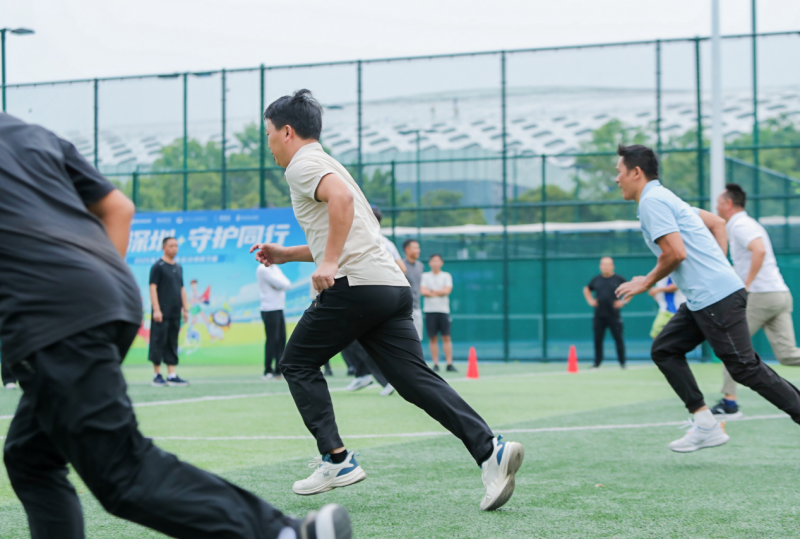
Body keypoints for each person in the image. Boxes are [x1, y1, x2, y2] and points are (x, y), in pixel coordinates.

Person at [0, 112, 352, 539]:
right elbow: (118, 208)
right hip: (107, 294)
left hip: (54, 312)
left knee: (120, 471)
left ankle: (285, 534)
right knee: (29, 457)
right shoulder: (26, 132)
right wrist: (93, 289)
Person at [251, 89, 522, 511]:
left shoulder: (302, 165)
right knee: (413, 379)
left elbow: (340, 203)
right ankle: (490, 450)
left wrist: (328, 262)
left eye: (268, 134)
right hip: (390, 288)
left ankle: (336, 459)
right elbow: (348, 226)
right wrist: (288, 254)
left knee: (297, 362)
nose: (268, 144)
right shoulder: (329, 163)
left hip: (355, 286)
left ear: (287, 132)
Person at [613, 143, 800, 453]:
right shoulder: (665, 196)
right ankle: (705, 425)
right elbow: (717, 223)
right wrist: (717, 265)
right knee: (665, 349)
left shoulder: (652, 202)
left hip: (716, 298)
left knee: (745, 368)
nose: (616, 178)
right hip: (707, 297)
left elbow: (676, 253)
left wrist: (646, 281)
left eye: (619, 171)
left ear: (636, 172)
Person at [712, 183, 800, 418]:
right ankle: (729, 402)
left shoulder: (740, 225)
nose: (716, 207)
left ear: (729, 203)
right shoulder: (746, 223)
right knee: (787, 354)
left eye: (719, 203)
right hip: (779, 294)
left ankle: (729, 404)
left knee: (730, 346)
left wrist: (747, 284)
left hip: (762, 296)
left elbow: (758, 250)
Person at [148, 237, 190, 387]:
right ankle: (157, 375)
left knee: (172, 342)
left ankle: (172, 375)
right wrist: (156, 309)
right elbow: (152, 287)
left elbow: (182, 289)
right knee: (158, 341)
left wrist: (185, 309)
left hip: (175, 313)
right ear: (164, 248)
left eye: (176, 246)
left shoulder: (178, 267)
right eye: (171, 246)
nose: (174, 248)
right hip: (161, 314)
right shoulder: (157, 266)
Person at [583, 257, 628, 369]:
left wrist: (623, 301)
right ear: (600, 266)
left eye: (608, 264)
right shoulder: (596, 279)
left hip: (614, 316)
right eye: (603, 264)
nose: (606, 266)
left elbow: (630, 290)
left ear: (613, 266)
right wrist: (590, 300)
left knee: (618, 339)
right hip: (599, 316)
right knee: (598, 340)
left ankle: (622, 363)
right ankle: (597, 363)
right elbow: (586, 289)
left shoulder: (619, 279)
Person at [421, 254, 456, 372]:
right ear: (430, 263)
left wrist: (431, 291)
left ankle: (449, 364)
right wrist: (438, 292)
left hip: (443, 311)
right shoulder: (425, 276)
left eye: (437, 261)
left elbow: (447, 290)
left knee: (446, 337)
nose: (435, 263)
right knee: (433, 338)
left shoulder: (446, 276)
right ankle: (435, 364)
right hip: (429, 311)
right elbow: (423, 291)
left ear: (441, 263)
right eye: (433, 261)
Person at [257, 263, 291, 381]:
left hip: (279, 307)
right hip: (269, 309)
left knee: (281, 339)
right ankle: (268, 370)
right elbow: (280, 284)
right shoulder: (263, 269)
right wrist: (279, 285)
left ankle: (278, 369)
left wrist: (280, 286)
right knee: (272, 340)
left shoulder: (275, 268)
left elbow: (287, 284)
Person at [403, 239, 424, 339]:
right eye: (415, 248)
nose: (418, 250)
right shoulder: (400, 265)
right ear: (407, 249)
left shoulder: (420, 266)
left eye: (418, 248)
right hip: (403, 309)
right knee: (405, 338)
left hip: (417, 308)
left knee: (417, 338)